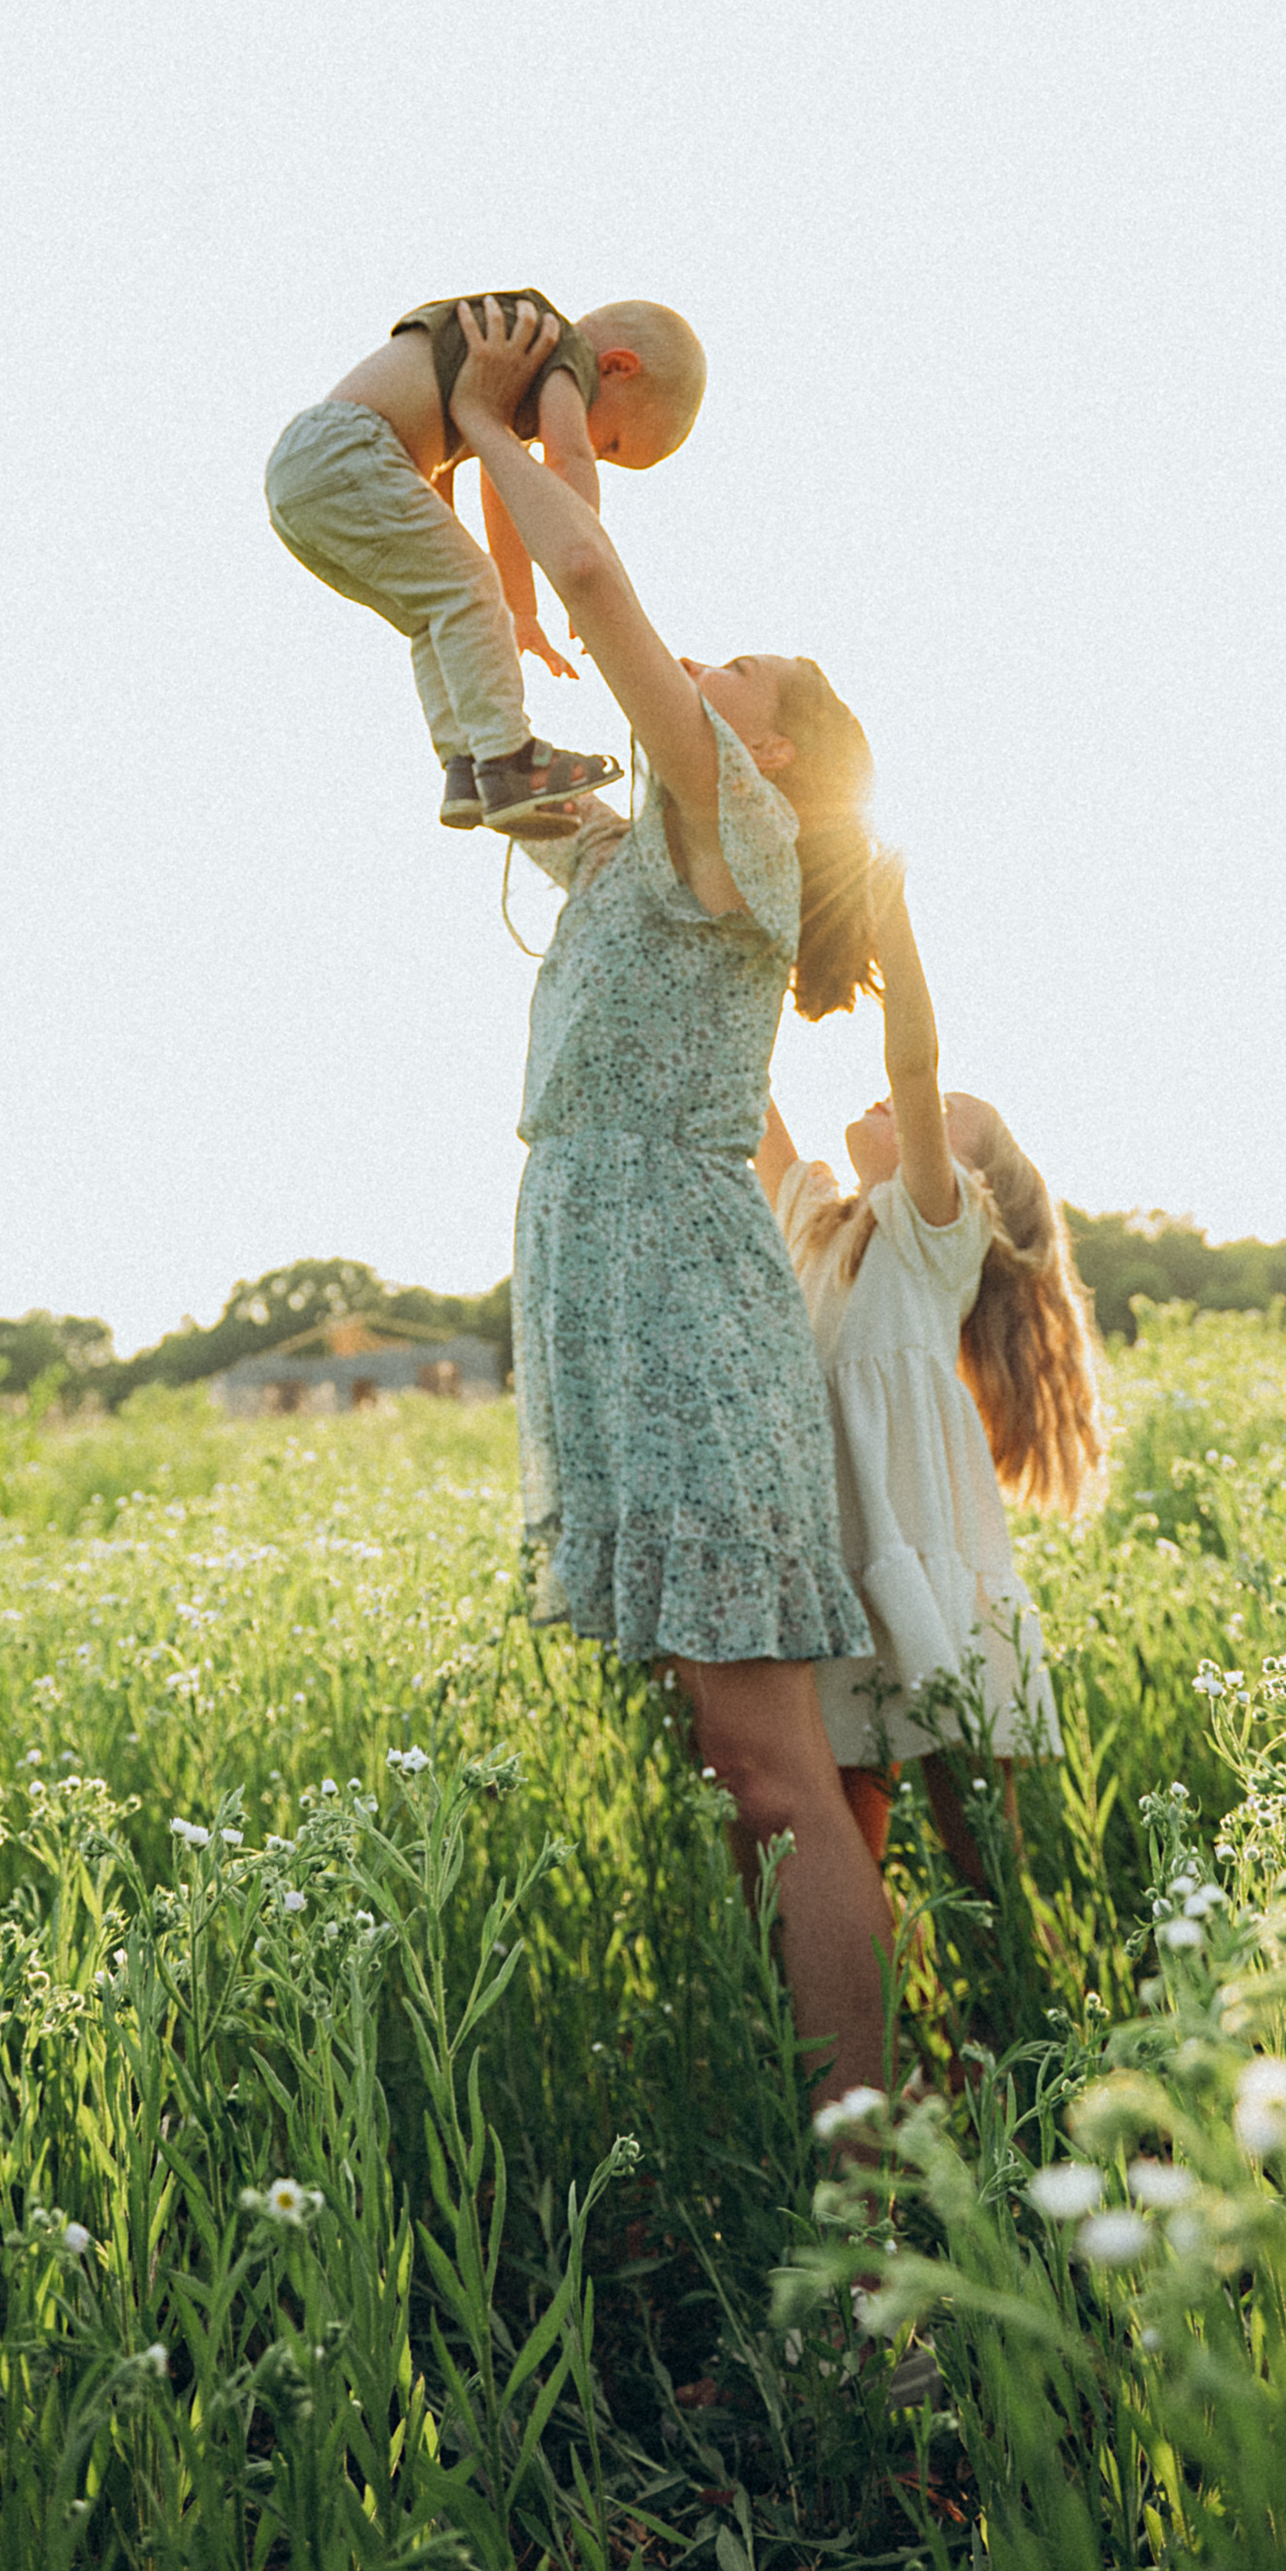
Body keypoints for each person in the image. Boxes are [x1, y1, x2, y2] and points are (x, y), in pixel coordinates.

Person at [445, 295, 896, 2104]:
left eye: (747, 671)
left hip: (689, 1309)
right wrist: (501, 487)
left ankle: (873, 2197)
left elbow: (600, 589)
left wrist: (491, 416)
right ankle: (813, 2125)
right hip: (607, 1284)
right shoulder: (654, 840)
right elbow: (537, 674)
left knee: (777, 1771)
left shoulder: (738, 826)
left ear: (775, 753)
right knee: (729, 1767)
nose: (710, 663)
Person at [757, 857, 1107, 1888]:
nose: (909, 1102)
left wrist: (891, 925)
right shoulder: (820, 1226)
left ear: (972, 1182)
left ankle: (1019, 1980)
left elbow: (912, 1063)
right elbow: (752, 1101)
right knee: (843, 1835)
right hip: (834, 1556)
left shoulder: (935, 1233)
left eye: (947, 1116)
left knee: (979, 1844)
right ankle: (887, 1992)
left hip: (918, 1555)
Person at [264, 287, 707, 834]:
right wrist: (583, 572)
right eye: (611, 445)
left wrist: (522, 609)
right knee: (468, 589)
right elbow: (567, 459)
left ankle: (468, 765)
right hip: (350, 451)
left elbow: (499, 489)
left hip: (304, 478)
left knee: (437, 613)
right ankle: (508, 761)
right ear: (616, 368)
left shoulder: (507, 371)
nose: (596, 453)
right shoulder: (560, 350)